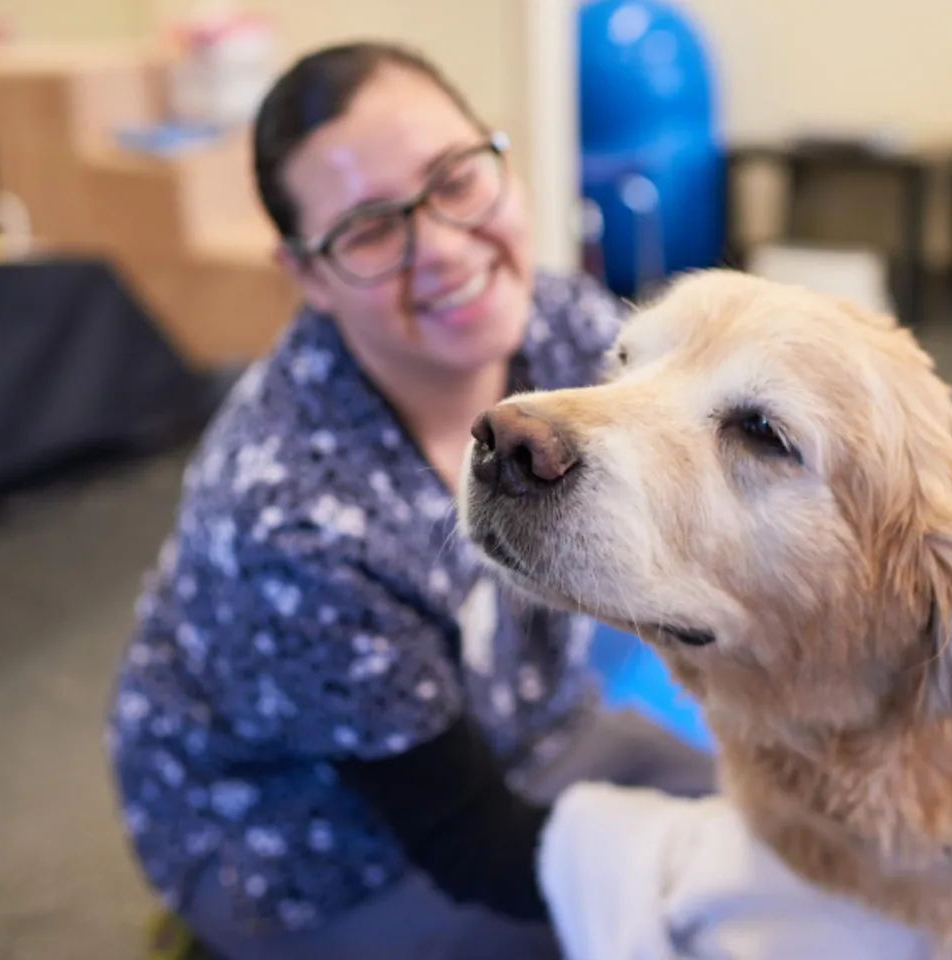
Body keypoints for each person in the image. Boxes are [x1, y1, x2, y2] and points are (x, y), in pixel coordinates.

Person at [104, 41, 717, 959]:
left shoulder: (562, 326)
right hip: (312, 855)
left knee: (767, 813)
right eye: (368, 229)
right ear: (306, 273)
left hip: (524, 731)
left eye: (455, 178)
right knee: (708, 912)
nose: (440, 248)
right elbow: (474, 847)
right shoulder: (294, 520)